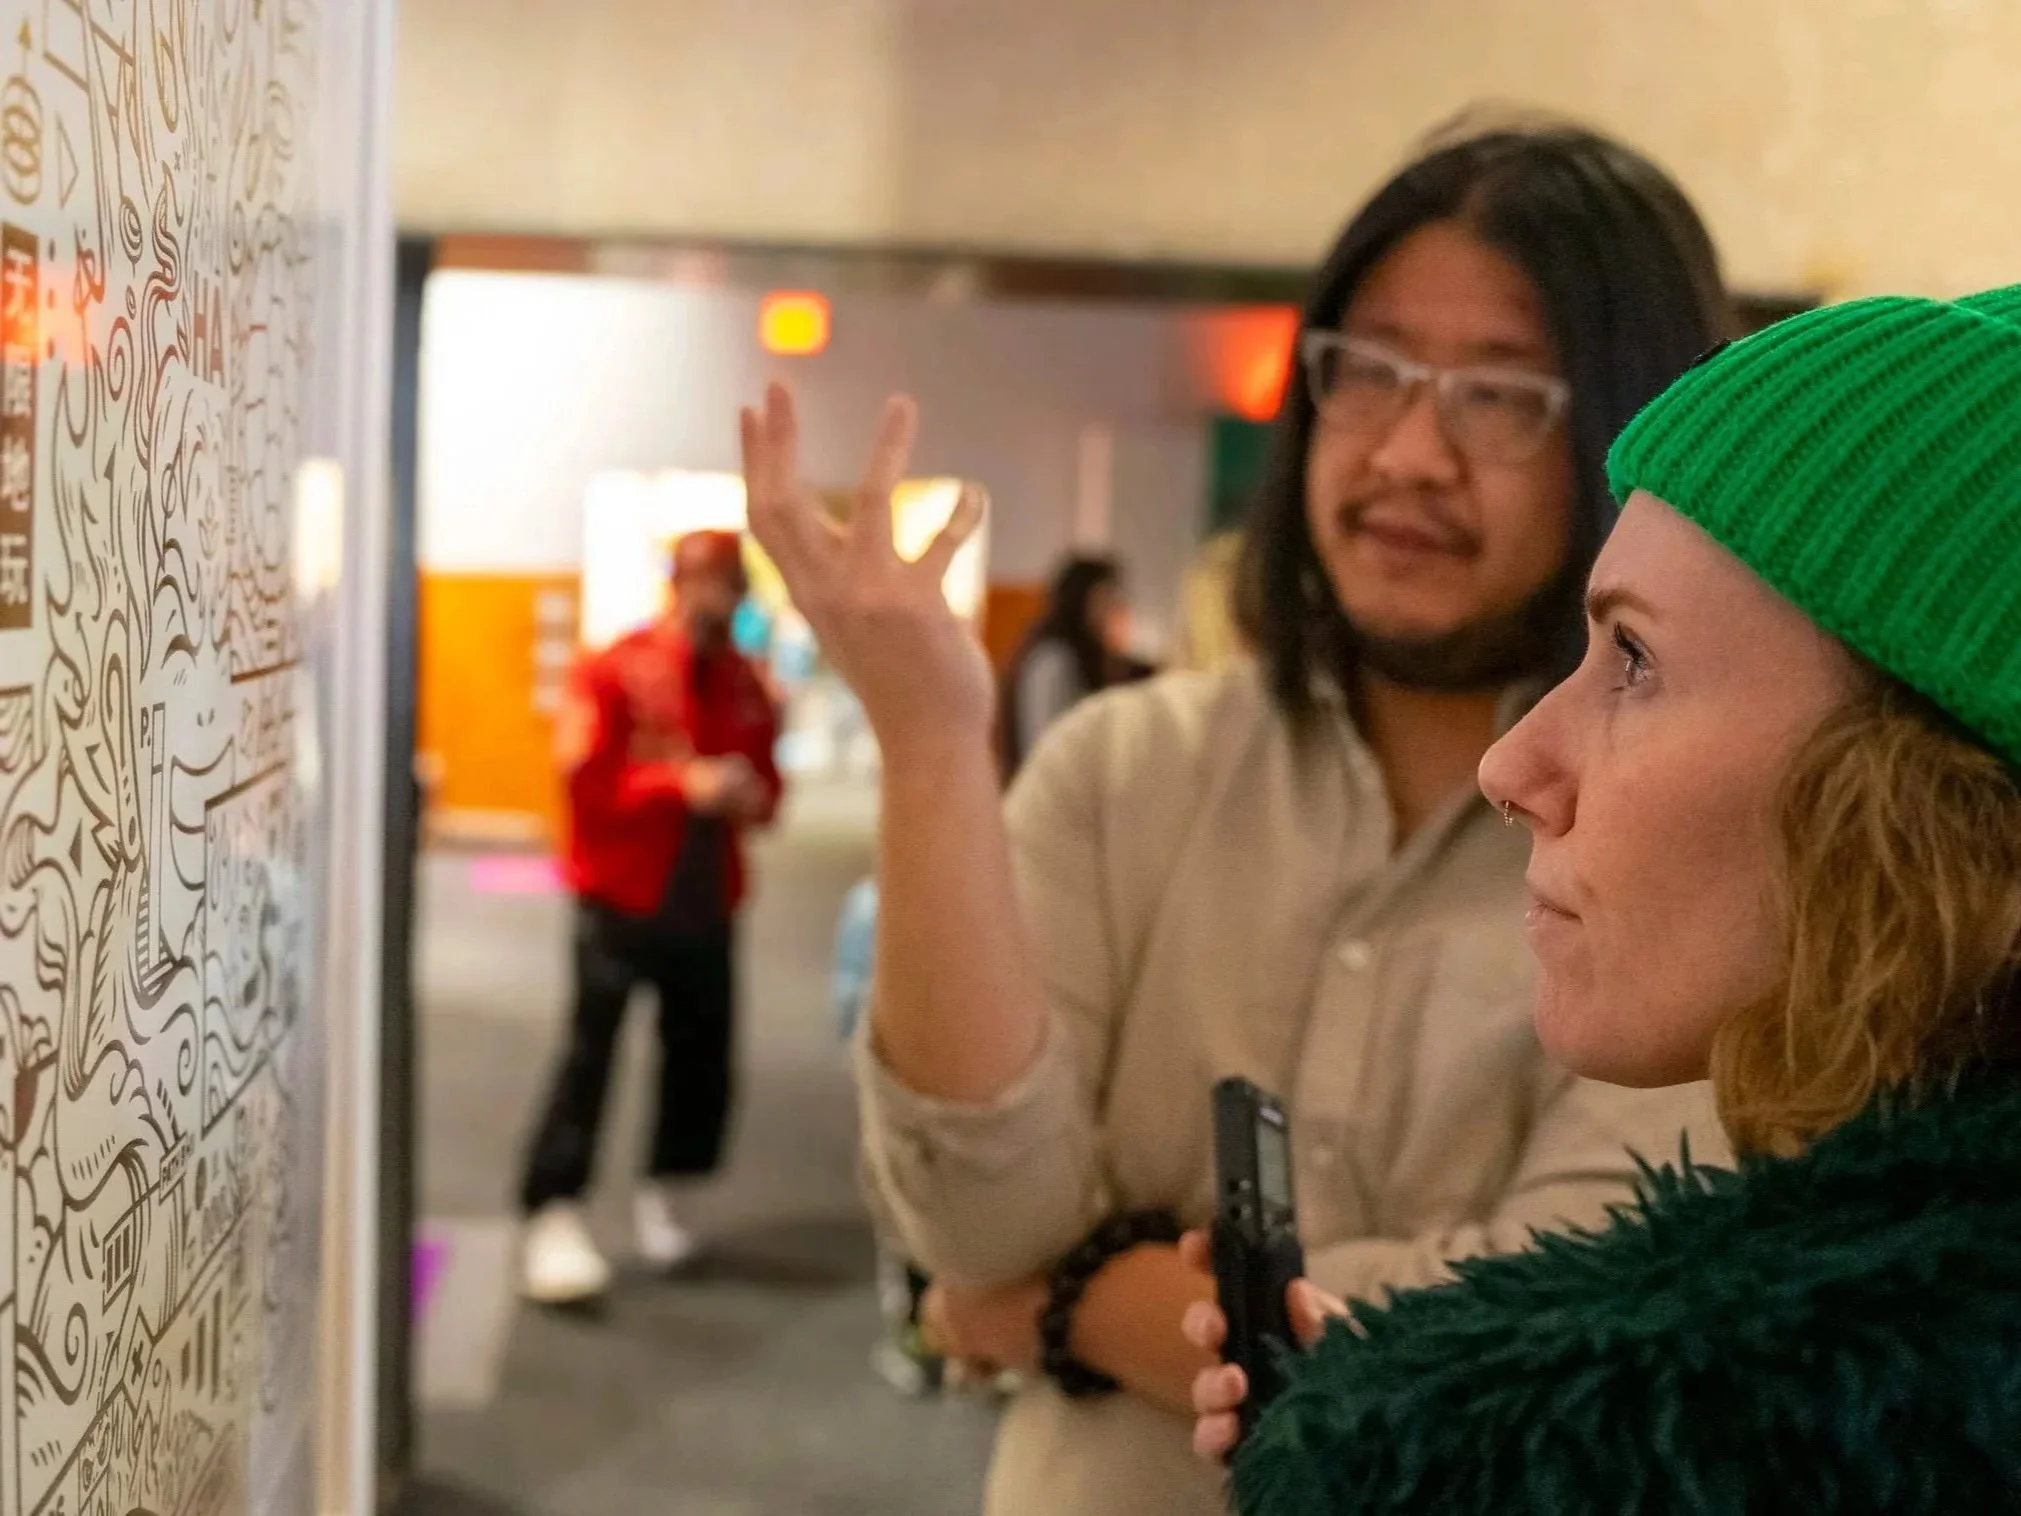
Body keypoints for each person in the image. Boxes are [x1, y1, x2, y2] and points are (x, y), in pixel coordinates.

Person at [741, 116, 1737, 1516]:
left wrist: (1068, 1301)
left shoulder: (1699, 841)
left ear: (1636, 427)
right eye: (1368, 371)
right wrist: (926, 744)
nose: (1407, 453)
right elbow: (973, 1220)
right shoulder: (1123, 770)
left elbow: (1550, 1354)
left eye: (1500, 394)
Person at [1183, 286, 2021, 1511]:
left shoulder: (1609, 1450)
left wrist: (1374, 1456)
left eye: (1632, 659)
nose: (1510, 766)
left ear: (1925, 795)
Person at [518, 529, 784, 1304]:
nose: (723, 598)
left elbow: (770, 788)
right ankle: (556, 1204)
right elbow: (586, 784)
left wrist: (746, 794)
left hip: (707, 899)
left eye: (734, 583)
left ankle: (670, 1186)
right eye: (712, 580)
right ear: (679, 582)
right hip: (621, 896)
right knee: (589, 1053)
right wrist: (679, 787)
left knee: (701, 1055)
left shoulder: (745, 682)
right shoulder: (613, 668)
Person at [1000, 554, 1153, 777]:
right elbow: (1044, 742)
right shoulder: (1053, 659)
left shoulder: (1084, 658)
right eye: (1107, 597)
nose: (1114, 608)